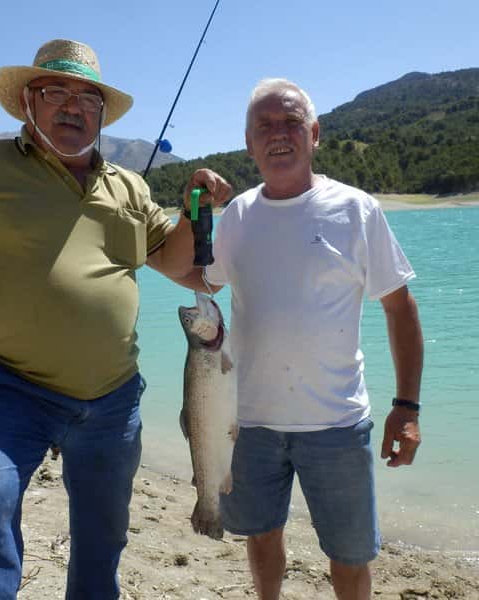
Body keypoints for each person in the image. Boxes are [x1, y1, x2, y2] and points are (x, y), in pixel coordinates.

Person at [0, 38, 230, 600]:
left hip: (114, 398)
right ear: (27, 102)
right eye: (55, 92)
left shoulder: (127, 185)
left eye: (87, 98)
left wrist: (194, 209)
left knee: (104, 538)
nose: (72, 107)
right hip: (10, 387)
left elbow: (179, 266)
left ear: (102, 114)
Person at [174, 78, 424, 600]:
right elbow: (202, 280)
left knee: (350, 555)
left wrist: (407, 407)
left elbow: (399, 308)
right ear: (249, 144)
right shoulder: (239, 214)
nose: (278, 134)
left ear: (315, 134)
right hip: (248, 423)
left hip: (337, 423)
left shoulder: (356, 209)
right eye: (264, 126)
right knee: (262, 537)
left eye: (291, 122)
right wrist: (193, 212)